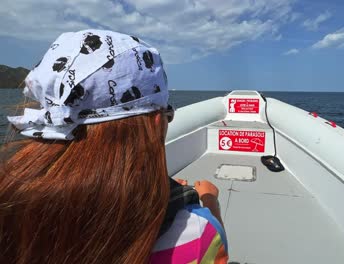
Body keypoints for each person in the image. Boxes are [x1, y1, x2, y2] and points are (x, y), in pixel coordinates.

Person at [0, 29, 228, 264]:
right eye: (167, 112)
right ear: (157, 122)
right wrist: (211, 203)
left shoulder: (11, 204)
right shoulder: (197, 233)